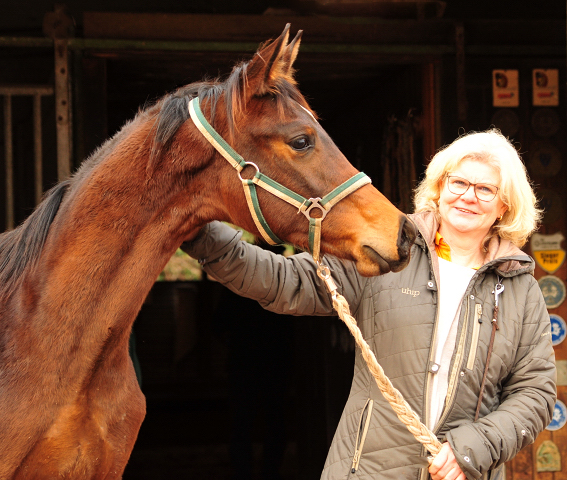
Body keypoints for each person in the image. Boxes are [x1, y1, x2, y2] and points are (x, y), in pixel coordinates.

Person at [181, 129, 556, 480]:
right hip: (368, 469)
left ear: (505, 205)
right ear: (439, 189)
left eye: (485, 189)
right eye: (458, 182)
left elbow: (535, 393)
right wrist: (200, 232)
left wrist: (472, 449)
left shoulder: (520, 289)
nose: (468, 196)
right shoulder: (389, 251)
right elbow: (285, 281)